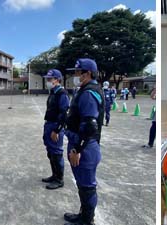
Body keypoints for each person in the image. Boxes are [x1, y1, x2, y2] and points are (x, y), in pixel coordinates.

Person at [64, 58, 104, 225]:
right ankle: (83, 215)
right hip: (82, 144)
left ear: (87, 73)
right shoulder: (85, 89)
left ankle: (87, 220)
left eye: (78, 72)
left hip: (85, 148)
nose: (75, 75)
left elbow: (89, 125)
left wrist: (78, 149)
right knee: (82, 185)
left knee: (87, 186)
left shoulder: (88, 93)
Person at [41, 69, 70, 190]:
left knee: (57, 153)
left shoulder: (62, 94)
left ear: (57, 80)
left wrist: (57, 130)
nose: (47, 81)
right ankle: (54, 175)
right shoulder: (53, 92)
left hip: (55, 126)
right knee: (50, 152)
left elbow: (64, 113)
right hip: (49, 125)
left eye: (49, 79)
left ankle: (59, 179)